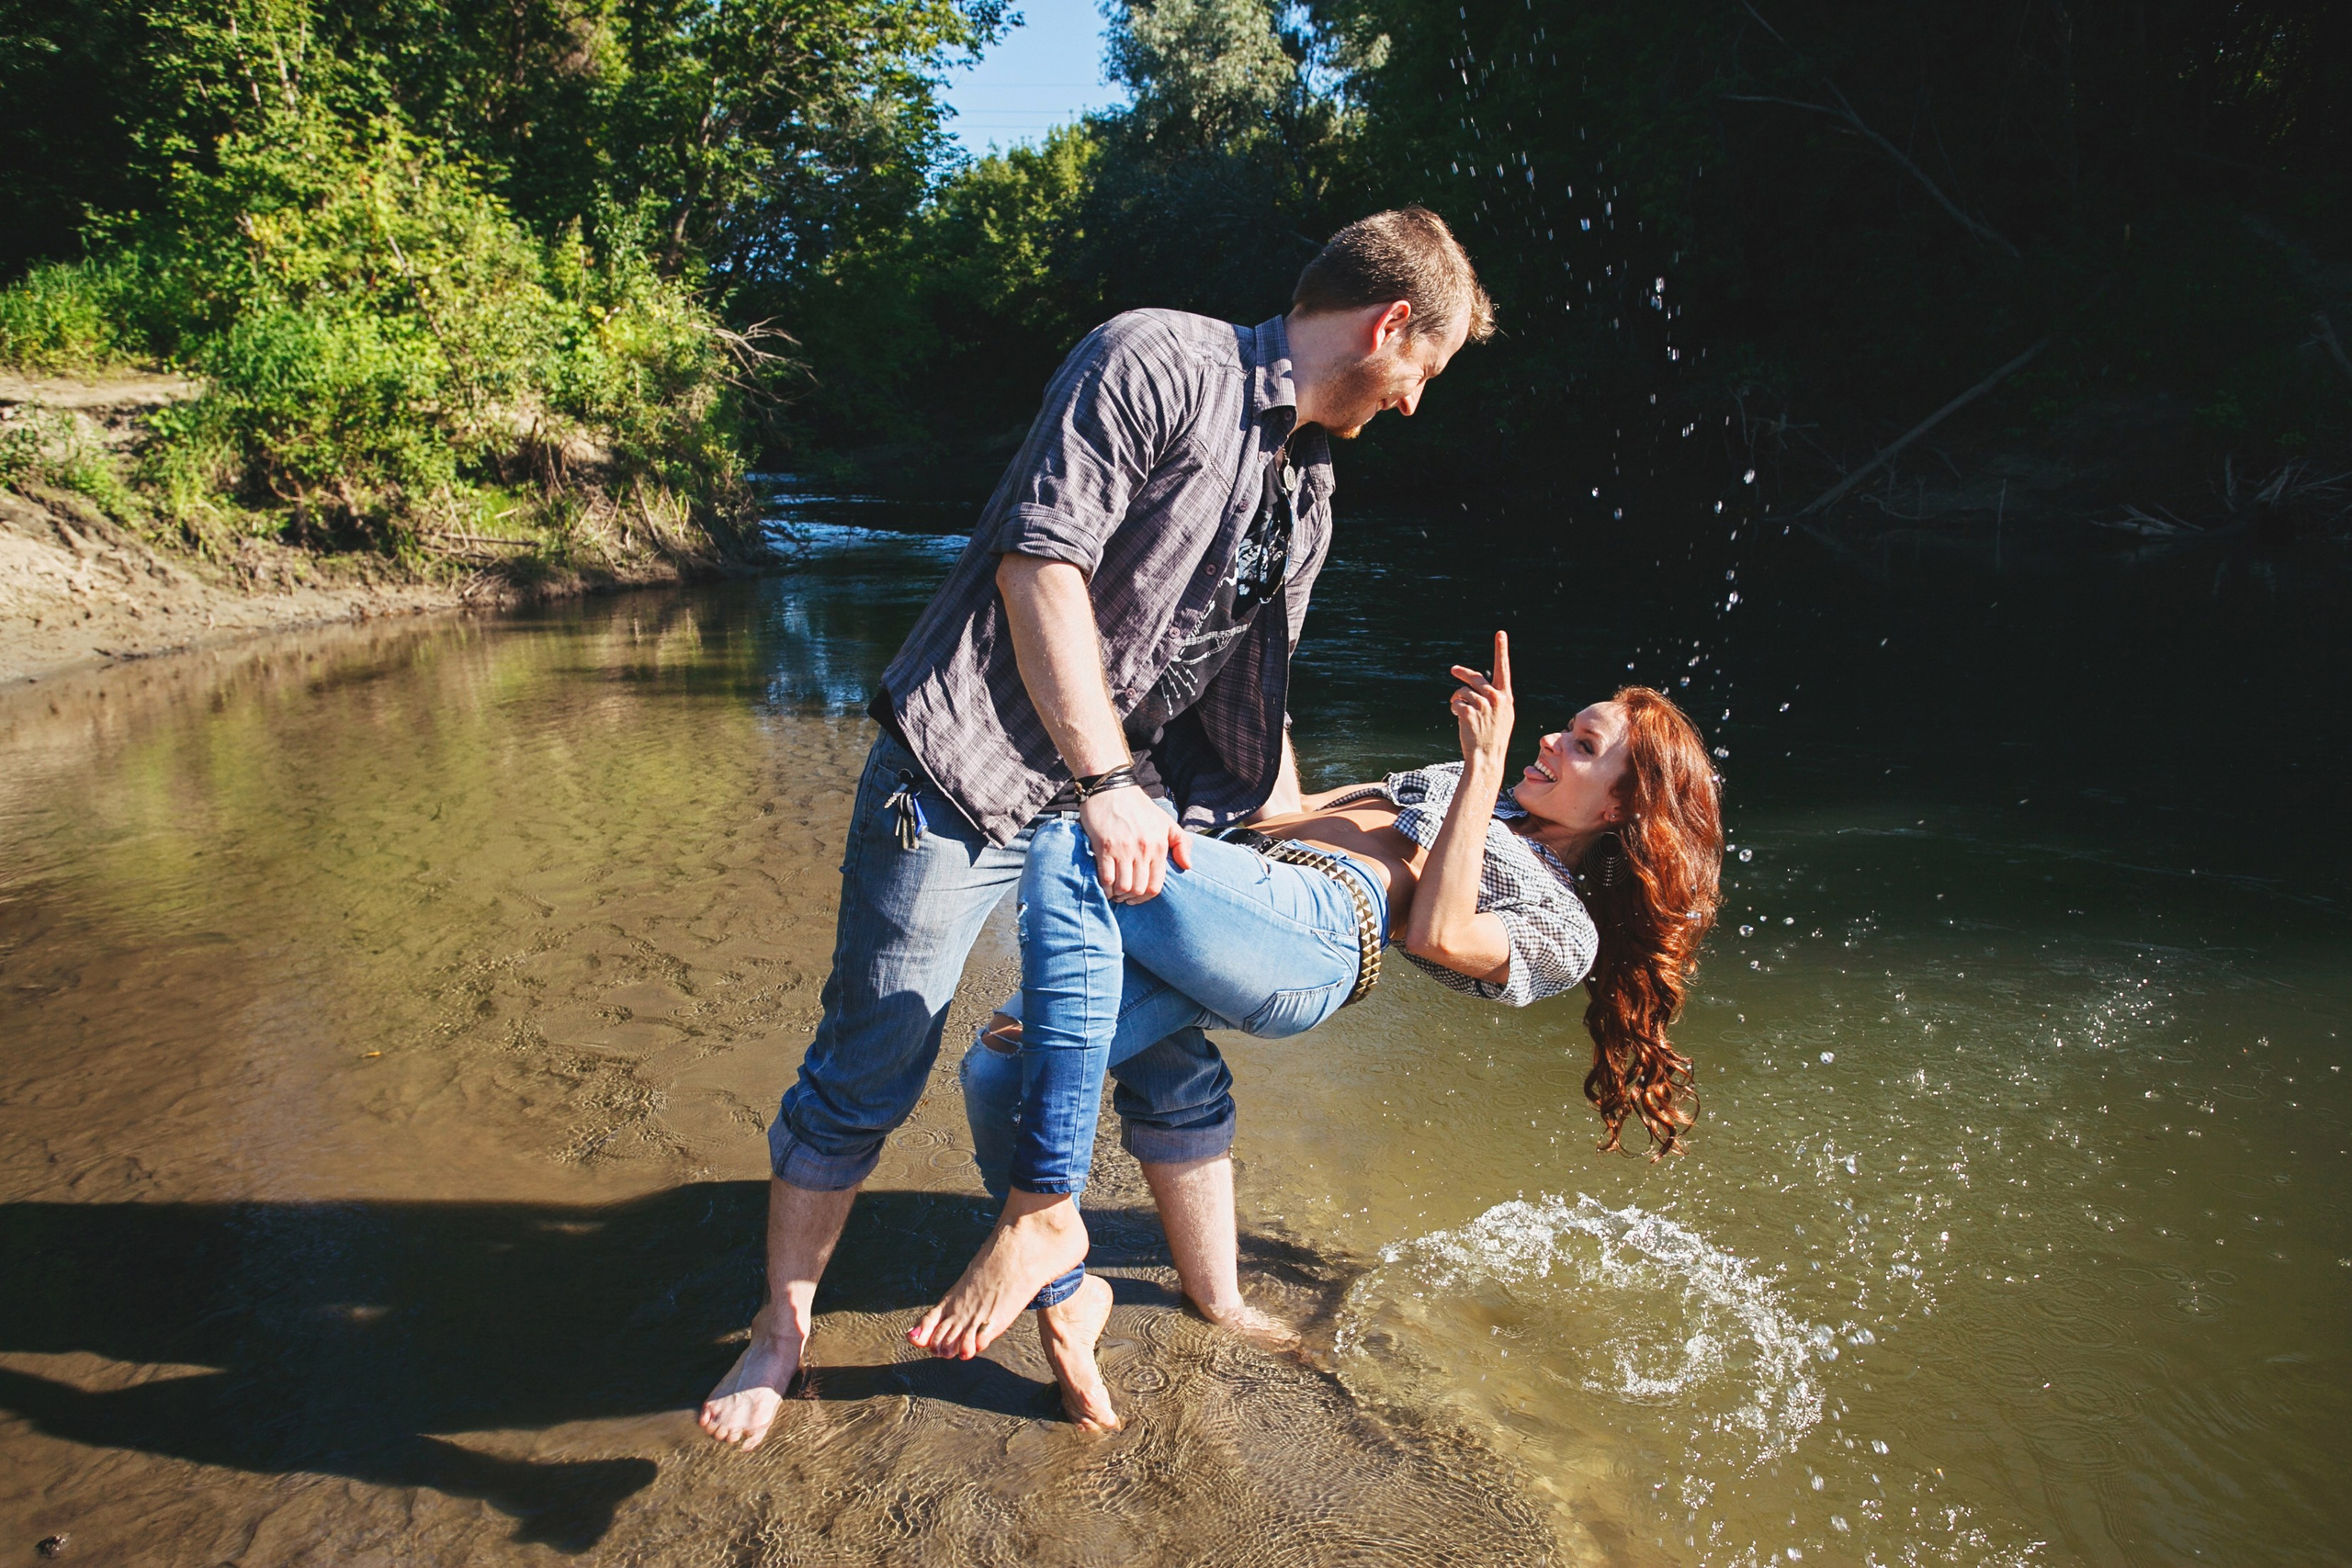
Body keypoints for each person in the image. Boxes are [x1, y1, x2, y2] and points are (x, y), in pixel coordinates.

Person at [699, 209, 1496, 1452]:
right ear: (1392, 324)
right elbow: (1038, 568)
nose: (1414, 403)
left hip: (1120, 802)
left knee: (1146, 1054)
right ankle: (781, 1326)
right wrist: (1112, 780)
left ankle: (1107, 1288)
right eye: (1424, 373)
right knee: (874, 1060)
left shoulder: (1314, 485)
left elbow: (1247, 691)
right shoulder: (1155, 360)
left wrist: (1282, 836)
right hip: (969, 774)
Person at [910, 632, 1724, 1419]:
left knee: (1075, 840)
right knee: (998, 1072)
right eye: (1565, 728)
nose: (1548, 739)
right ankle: (1118, 1297)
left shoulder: (1563, 925)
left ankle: (1038, 1214)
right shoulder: (1458, 783)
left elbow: (1436, 933)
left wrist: (1481, 769)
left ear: (1623, 807)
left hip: (1320, 933)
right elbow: (1286, 810)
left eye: (1582, 745)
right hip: (1240, 882)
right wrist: (1265, 679)